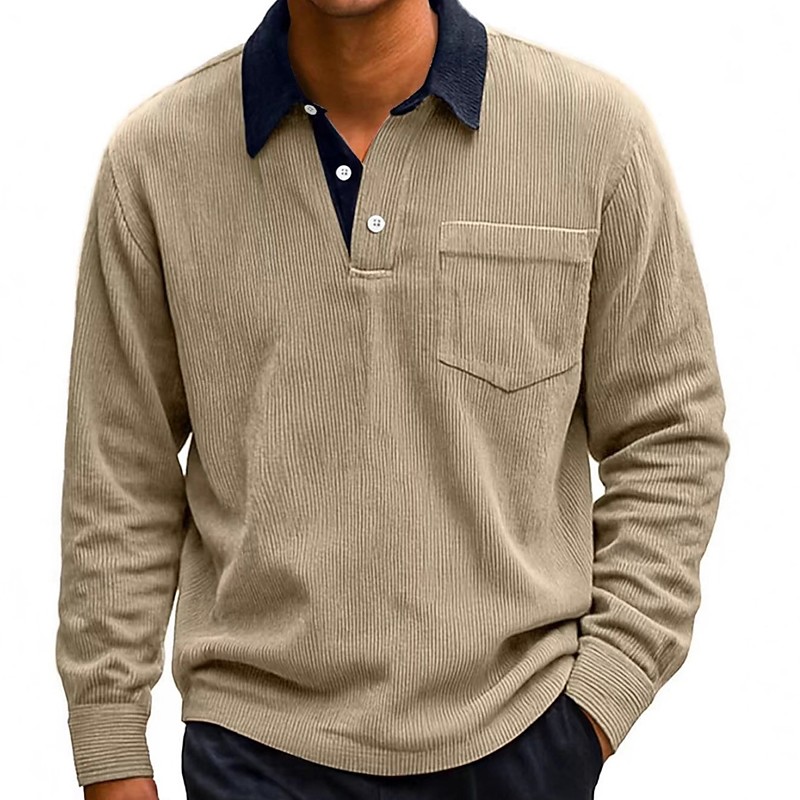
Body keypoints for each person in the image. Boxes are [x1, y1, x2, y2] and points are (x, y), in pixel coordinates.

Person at [55, 0, 730, 798]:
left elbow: (671, 435)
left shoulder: (593, 134)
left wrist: (598, 703)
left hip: (518, 737)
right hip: (253, 750)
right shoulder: (155, 161)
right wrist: (110, 749)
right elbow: (119, 476)